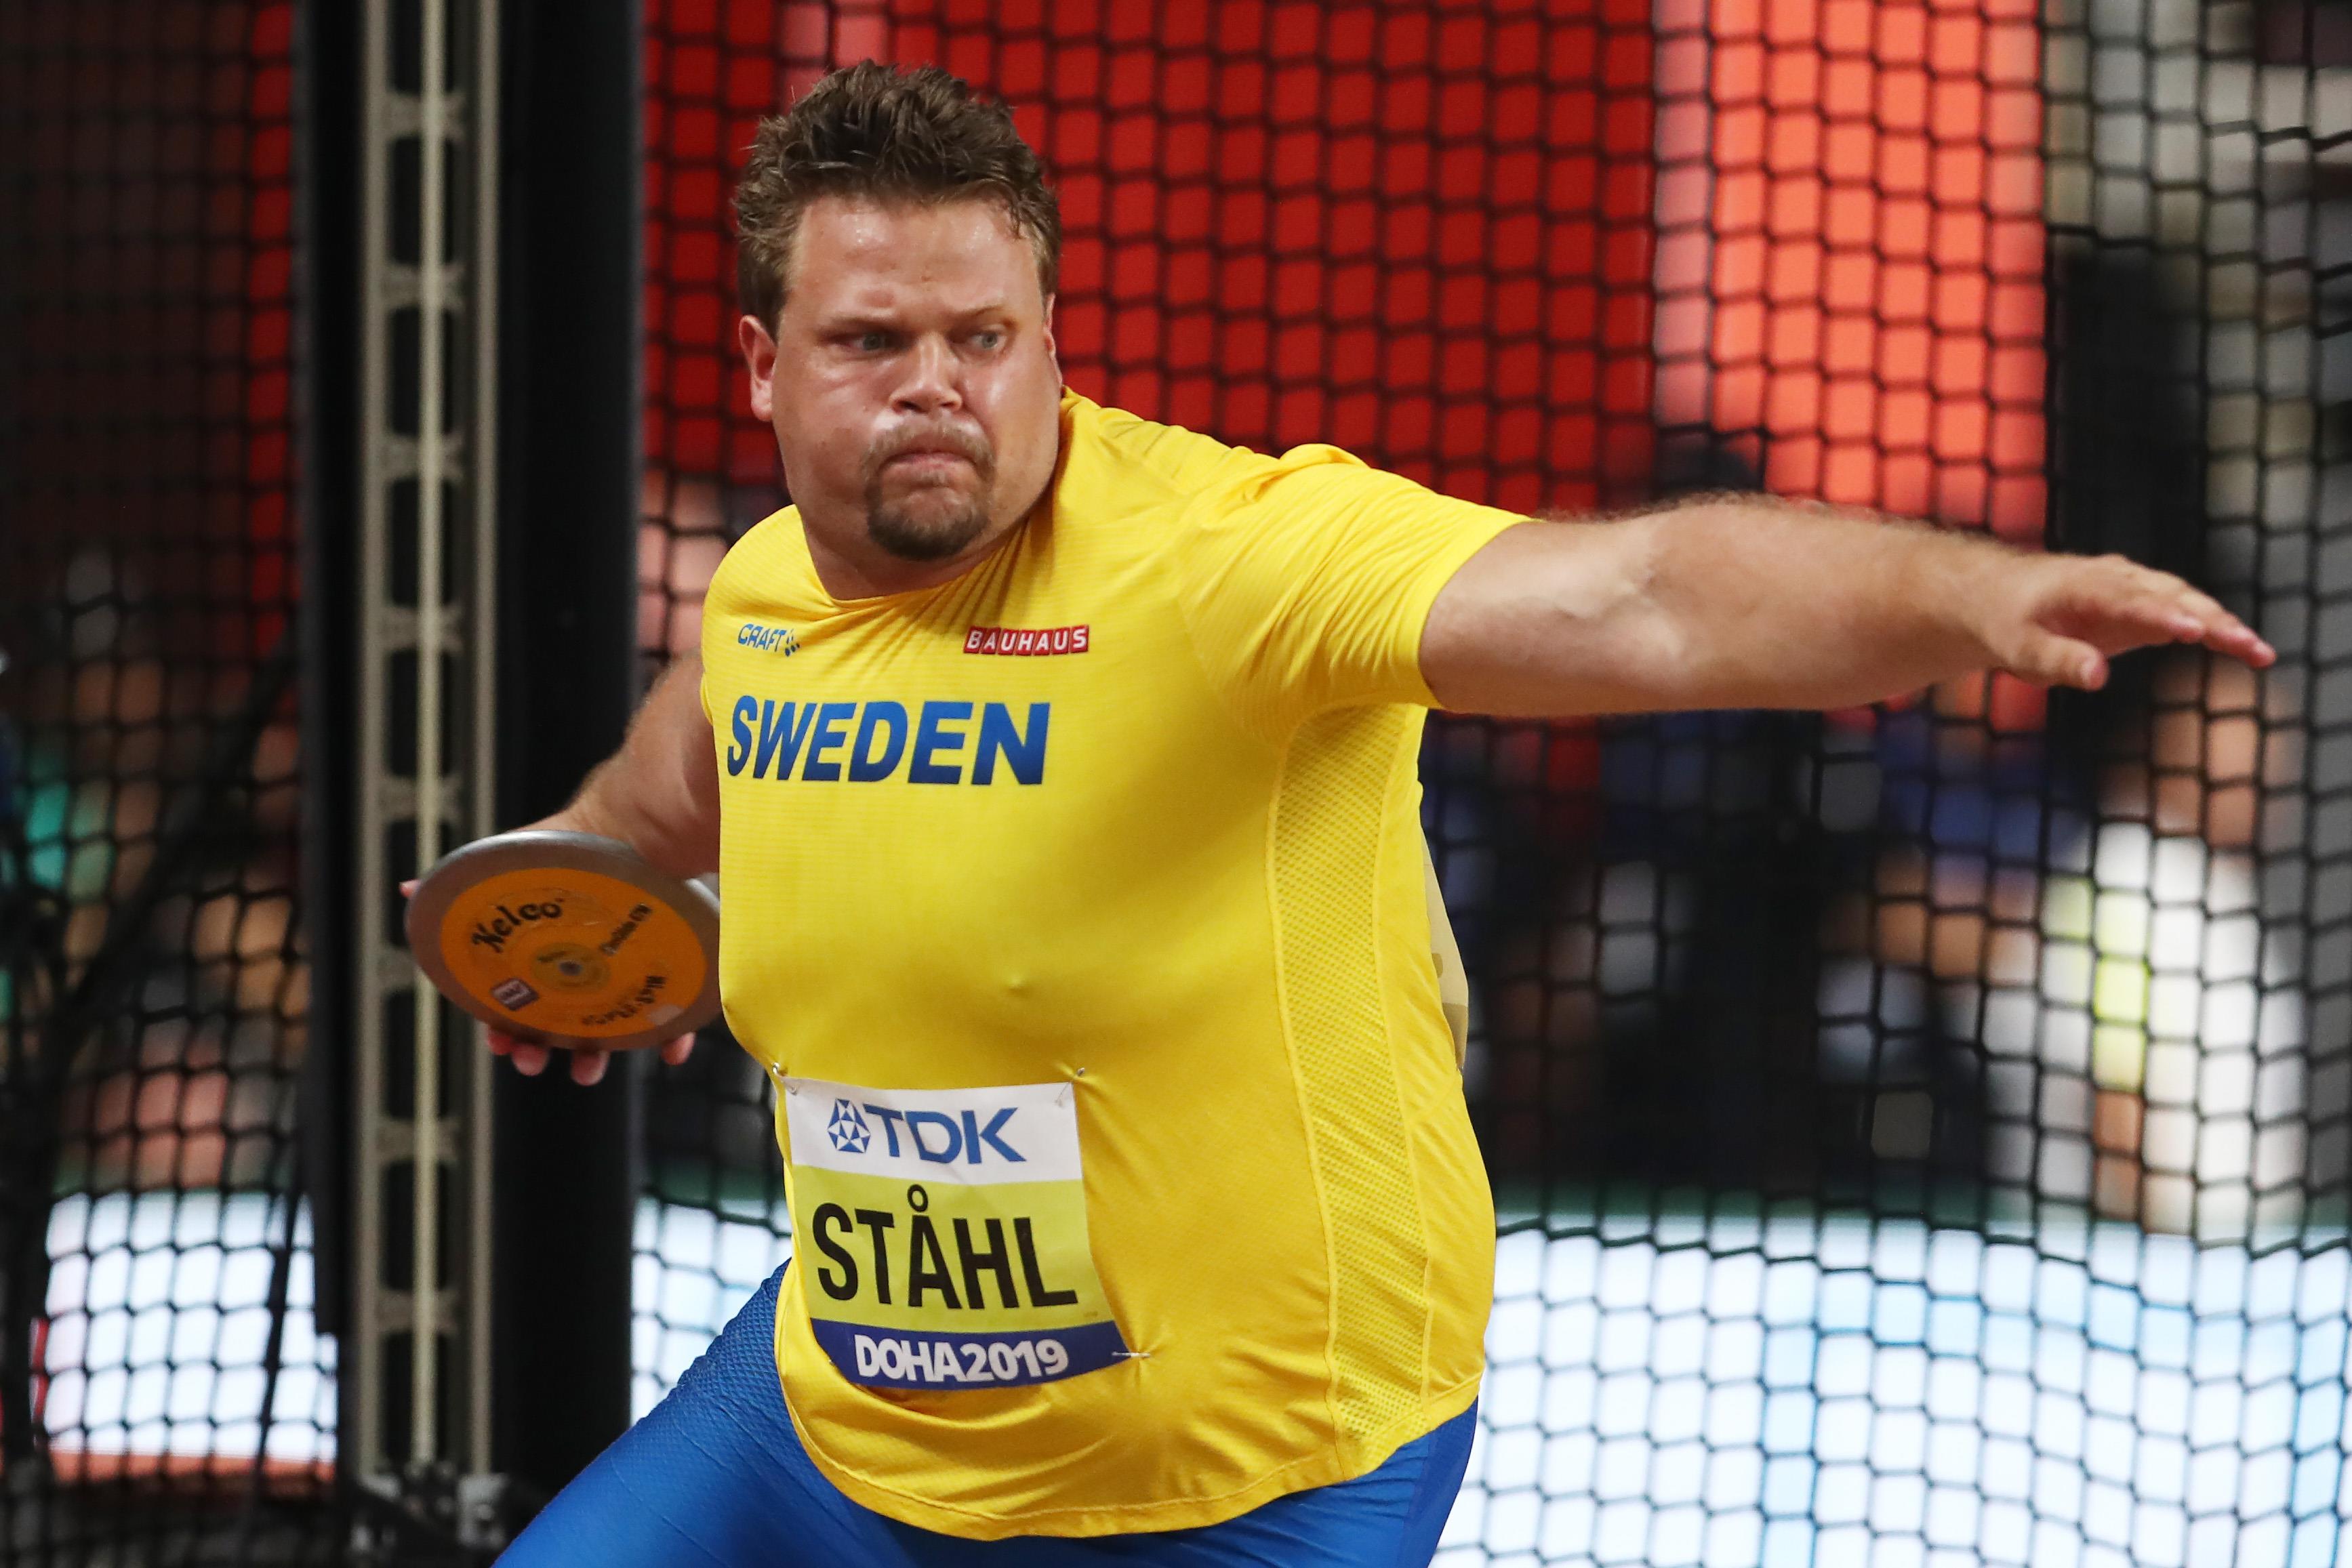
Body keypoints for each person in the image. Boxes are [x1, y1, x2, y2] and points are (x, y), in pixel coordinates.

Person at [487, 62, 2271, 1567]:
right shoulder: (766, 600)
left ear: (1052, 341)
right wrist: (570, 917)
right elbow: (650, 807)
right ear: (761, 362)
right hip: (855, 1413)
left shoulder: (1231, 566)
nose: (938, 384)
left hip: (1252, 1470)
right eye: (874, 341)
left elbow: (1645, 596)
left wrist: (1972, 595)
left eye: (985, 336)